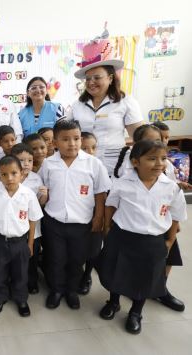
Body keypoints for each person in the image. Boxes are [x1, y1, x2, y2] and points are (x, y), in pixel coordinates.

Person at [97, 140, 187, 334]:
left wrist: (170, 240)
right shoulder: (122, 184)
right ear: (136, 162)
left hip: (152, 241)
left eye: (163, 159)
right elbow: (111, 205)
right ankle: (113, 302)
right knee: (116, 272)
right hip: (122, 237)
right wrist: (107, 228)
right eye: (152, 159)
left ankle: (136, 312)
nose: (159, 164)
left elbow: (176, 216)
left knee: (145, 278)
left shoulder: (171, 187)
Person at [39, 120, 111, 310]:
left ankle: (71, 291)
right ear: (54, 143)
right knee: (56, 258)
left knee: (76, 259)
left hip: (82, 223)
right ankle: (57, 290)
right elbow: (44, 189)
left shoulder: (93, 164)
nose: (72, 143)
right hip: (54, 222)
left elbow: (100, 193)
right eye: (65, 139)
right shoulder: (48, 164)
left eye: (76, 138)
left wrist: (99, 218)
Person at [68, 29, 145, 174]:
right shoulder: (78, 105)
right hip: (82, 166)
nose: (91, 82)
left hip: (115, 166)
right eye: (88, 79)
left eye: (97, 78)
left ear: (110, 78)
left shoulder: (126, 102)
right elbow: (66, 134)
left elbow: (141, 138)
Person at [0, 155, 43, 316]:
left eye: (14, 173)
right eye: (4, 174)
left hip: (20, 242)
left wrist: (30, 243)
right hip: (0, 240)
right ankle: (0, 297)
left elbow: (33, 220)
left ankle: (21, 298)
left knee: (21, 272)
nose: (9, 178)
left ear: (21, 174)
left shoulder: (28, 194)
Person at [11, 143, 48, 294]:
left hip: (33, 227)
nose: (26, 164)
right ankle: (13, 280)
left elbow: (40, 204)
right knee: (14, 257)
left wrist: (44, 195)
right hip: (13, 226)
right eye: (21, 160)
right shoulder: (9, 177)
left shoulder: (36, 179)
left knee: (31, 254)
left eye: (30, 160)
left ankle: (31, 281)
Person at [77, 132, 103, 295]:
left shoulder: (97, 165)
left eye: (93, 147)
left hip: (94, 213)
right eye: (85, 148)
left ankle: (87, 276)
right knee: (77, 249)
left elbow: (101, 193)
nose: (90, 151)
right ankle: (77, 274)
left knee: (93, 249)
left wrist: (99, 217)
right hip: (77, 215)